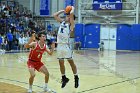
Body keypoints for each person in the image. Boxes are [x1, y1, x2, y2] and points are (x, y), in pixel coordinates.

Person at [53, 6, 79, 88]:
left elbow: (71, 15)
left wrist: (72, 8)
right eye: (67, 16)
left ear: (72, 19)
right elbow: (55, 15)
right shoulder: (62, 22)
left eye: (68, 16)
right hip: (59, 46)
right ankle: (64, 78)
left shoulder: (71, 25)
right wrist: (62, 10)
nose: (67, 17)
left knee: (71, 63)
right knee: (61, 63)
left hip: (65, 46)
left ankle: (76, 77)